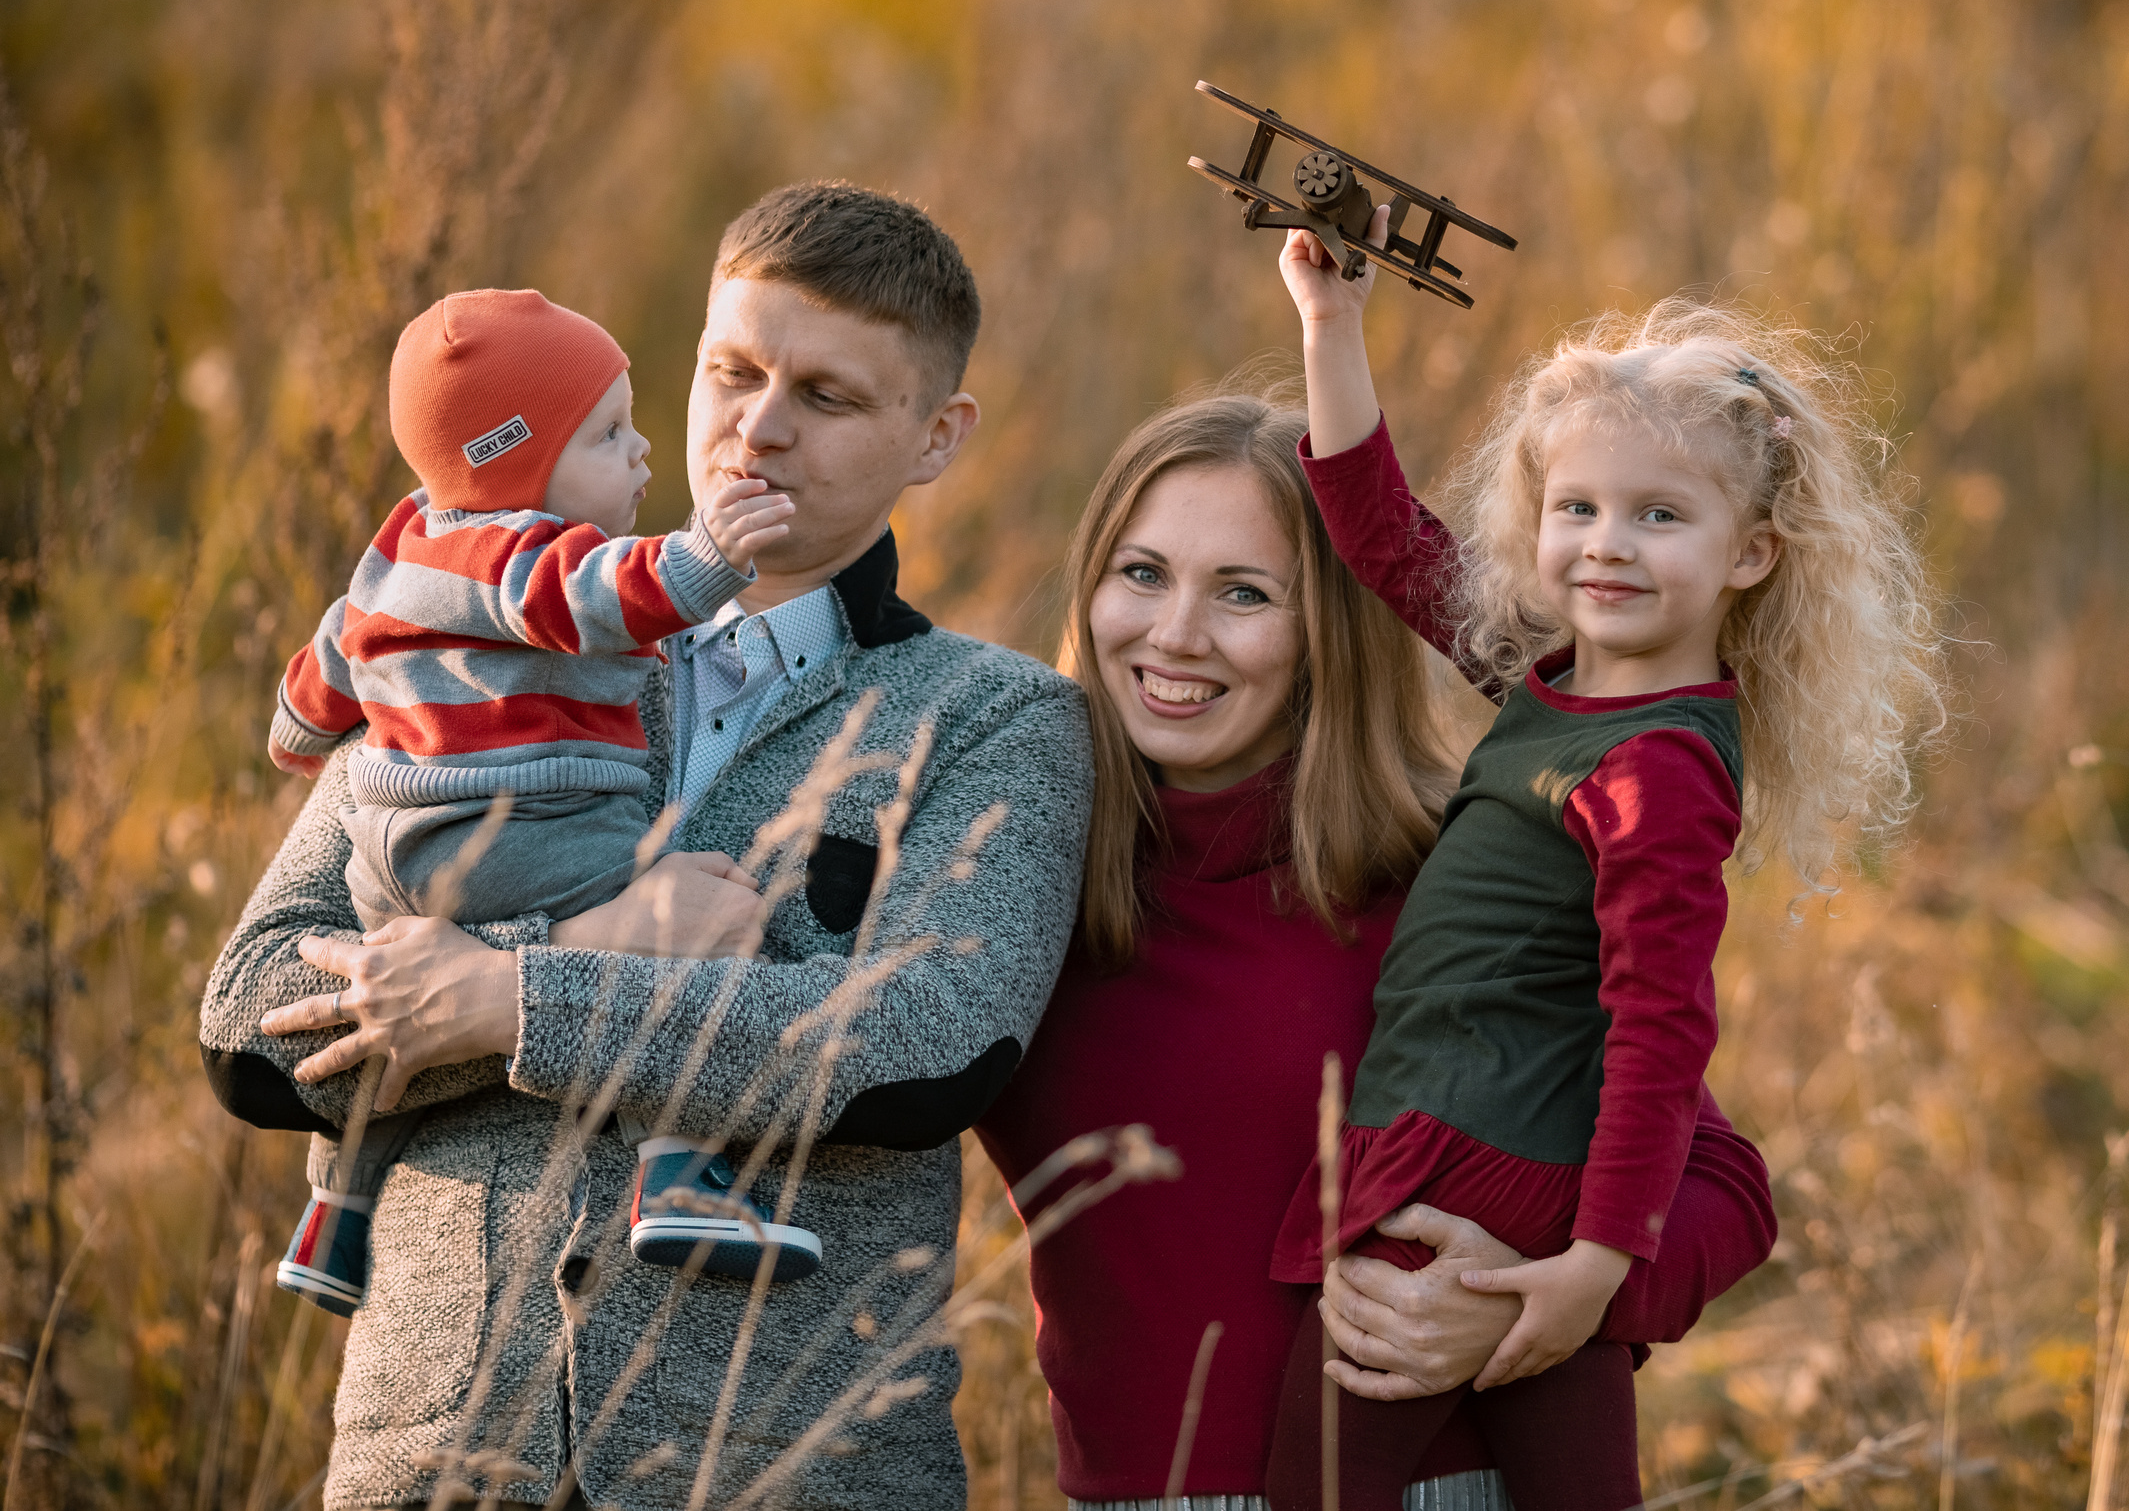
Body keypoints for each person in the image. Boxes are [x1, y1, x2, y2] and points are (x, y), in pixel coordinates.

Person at [198, 183, 1093, 1511]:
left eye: (828, 397)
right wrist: (569, 945)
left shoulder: (998, 717)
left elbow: (921, 1046)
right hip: (435, 1466)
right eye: (731, 371)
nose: (757, 428)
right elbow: (251, 1016)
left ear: (935, 437)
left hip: (789, 1473)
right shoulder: (474, 633)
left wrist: (506, 996)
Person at [974, 394, 1781, 1511]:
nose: (1174, 635)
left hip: (1445, 1478)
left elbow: (1725, 1186)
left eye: (1244, 593)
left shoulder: (1443, 883)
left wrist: (1538, 1302)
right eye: (1142, 572)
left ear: (1328, 634)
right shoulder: (1011, 888)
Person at [1262, 223, 1948, 1510]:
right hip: (1523, 1175)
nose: (1605, 546)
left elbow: (1660, 1024)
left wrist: (1597, 1263)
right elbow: (1385, 538)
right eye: (1575, 508)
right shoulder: (1559, 678)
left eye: (1658, 515)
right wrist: (1331, 327)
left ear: (1749, 552)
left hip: (1470, 1181)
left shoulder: (1656, 770)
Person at [263, 287, 816, 1321]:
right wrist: (711, 551)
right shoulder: (522, 555)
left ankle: (335, 1214)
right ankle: (682, 1169)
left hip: (388, 852)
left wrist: (298, 737)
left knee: (387, 1023)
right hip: (521, 832)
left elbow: (325, 665)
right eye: (607, 432)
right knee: (690, 925)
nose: (644, 450)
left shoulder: (394, 552)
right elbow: (606, 596)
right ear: (515, 460)